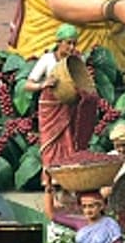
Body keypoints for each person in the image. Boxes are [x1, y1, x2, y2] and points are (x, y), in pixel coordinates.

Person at [26, 24, 96, 176]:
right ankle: (50, 182)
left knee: (69, 142)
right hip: (49, 108)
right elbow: (28, 84)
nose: (71, 47)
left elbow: (83, 82)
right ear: (59, 42)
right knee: (50, 144)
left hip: (69, 107)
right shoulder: (47, 59)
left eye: (74, 43)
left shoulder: (76, 61)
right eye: (68, 43)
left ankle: (67, 179)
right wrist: (43, 84)